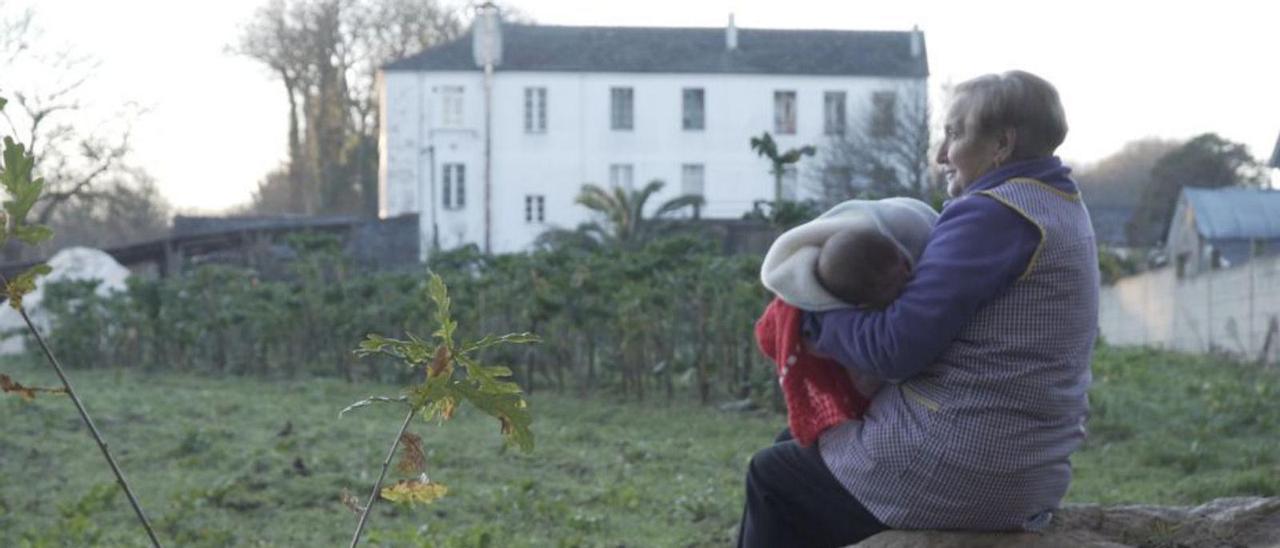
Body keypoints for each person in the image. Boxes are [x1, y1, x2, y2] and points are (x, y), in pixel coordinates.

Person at [737, 70, 1100, 548]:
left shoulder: (992, 214)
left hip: (965, 464)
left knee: (773, 477)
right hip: (1027, 462)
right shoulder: (1060, 204)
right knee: (797, 445)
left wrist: (812, 319)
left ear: (1002, 144)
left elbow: (895, 350)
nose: (941, 155)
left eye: (954, 133)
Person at [754, 198, 938, 447]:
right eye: (885, 289)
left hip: (897, 422)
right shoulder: (822, 308)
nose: (904, 281)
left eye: (902, 270)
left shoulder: (915, 239)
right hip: (882, 416)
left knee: (779, 456)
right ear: (858, 304)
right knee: (783, 447)